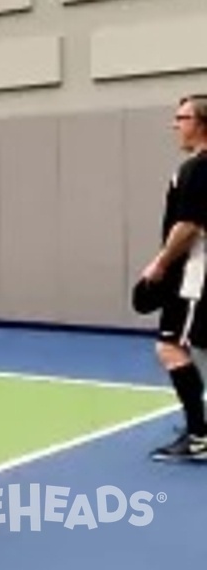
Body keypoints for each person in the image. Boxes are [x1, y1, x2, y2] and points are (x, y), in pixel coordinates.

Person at [140, 95, 207, 461]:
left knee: (170, 347)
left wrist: (161, 263)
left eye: (181, 117)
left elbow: (188, 226)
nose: (175, 124)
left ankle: (198, 436)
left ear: (200, 123)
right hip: (192, 273)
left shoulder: (196, 168)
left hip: (195, 275)